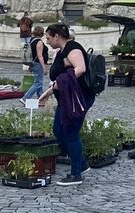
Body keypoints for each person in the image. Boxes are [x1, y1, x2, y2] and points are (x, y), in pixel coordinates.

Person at [38, 23, 92, 186]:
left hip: (78, 98)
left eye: (48, 38)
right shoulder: (61, 52)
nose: (47, 41)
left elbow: (81, 68)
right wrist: (47, 94)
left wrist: (55, 86)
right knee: (58, 132)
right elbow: (58, 80)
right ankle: (81, 164)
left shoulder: (72, 48)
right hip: (66, 99)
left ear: (57, 36)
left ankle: (76, 174)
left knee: (70, 132)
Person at [23, 30, 48, 101]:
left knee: (39, 81)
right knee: (38, 83)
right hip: (38, 64)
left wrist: (30, 65)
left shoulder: (31, 40)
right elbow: (39, 56)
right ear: (42, 34)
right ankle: (25, 98)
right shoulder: (39, 42)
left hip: (33, 63)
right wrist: (44, 67)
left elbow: (31, 54)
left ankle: (41, 98)